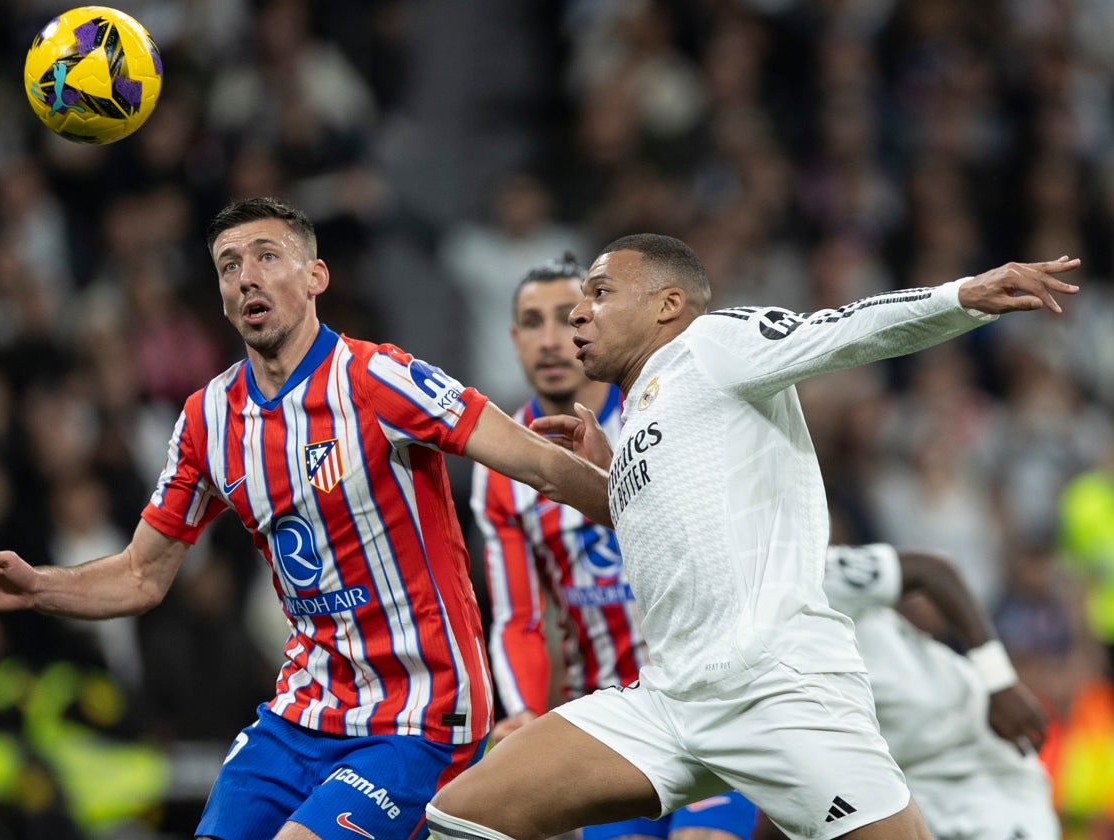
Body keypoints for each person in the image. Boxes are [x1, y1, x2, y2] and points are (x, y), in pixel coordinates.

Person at [0, 197, 613, 840]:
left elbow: (538, 464)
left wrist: (633, 505)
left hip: (420, 713)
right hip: (303, 710)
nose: (246, 276)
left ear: (316, 276)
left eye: (267, 256)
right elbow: (141, 577)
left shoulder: (378, 380)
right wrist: (36, 588)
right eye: (230, 265)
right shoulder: (208, 419)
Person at [425, 233, 1081, 840]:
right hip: (672, 698)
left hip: (779, 686)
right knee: (462, 813)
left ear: (667, 304)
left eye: (600, 293)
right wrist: (604, 475)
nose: (577, 313)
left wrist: (961, 297)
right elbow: (655, 522)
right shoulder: (642, 423)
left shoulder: (712, 346)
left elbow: (842, 332)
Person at [473, 253, 752, 840]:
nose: (551, 340)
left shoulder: (662, 410)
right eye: (531, 322)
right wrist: (522, 707)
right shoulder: (500, 463)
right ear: (513, 338)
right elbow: (519, 615)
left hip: (708, 696)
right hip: (611, 720)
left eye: (564, 317)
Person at [752, 543, 1059, 840]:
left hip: (976, 757)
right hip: (896, 784)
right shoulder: (723, 642)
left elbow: (933, 570)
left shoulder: (794, 577)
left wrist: (997, 679)